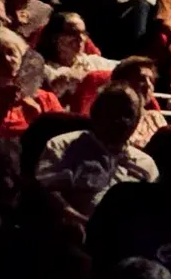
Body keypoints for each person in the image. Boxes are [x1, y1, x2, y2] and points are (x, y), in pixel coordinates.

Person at [35, 82, 160, 216]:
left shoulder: (145, 164)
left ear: (137, 120)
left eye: (129, 114)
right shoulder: (63, 146)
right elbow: (45, 193)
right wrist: (79, 221)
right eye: (114, 113)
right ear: (96, 113)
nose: (122, 121)